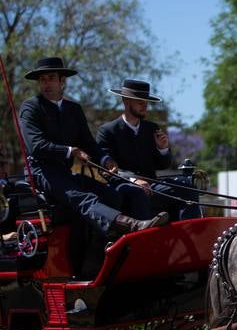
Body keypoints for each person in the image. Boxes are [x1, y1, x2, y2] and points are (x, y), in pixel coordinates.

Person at [19, 58, 168, 239]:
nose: (46, 83)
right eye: (42, 79)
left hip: (69, 170)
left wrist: (105, 159)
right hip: (41, 171)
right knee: (82, 197)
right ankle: (132, 225)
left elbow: (88, 143)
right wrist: (70, 151)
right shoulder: (31, 107)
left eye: (51, 78)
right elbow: (36, 146)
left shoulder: (73, 109)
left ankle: (107, 248)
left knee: (112, 195)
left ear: (62, 81)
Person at [97, 79, 201, 219]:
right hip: (123, 186)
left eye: (146, 102)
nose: (145, 106)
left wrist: (163, 149)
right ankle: (144, 236)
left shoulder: (151, 128)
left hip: (153, 185)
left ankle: (189, 233)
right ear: (126, 101)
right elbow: (107, 169)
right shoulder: (108, 131)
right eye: (140, 102)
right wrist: (133, 180)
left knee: (187, 188)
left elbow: (162, 165)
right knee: (139, 193)